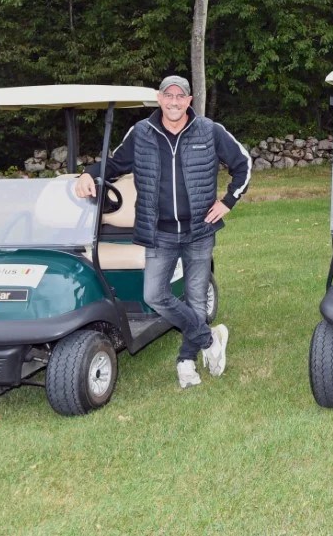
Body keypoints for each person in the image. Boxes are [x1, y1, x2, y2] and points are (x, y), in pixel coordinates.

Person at [76, 75, 251, 388]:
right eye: (168, 96)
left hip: (200, 229)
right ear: (160, 99)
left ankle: (186, 361)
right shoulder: (141, 133)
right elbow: (113, 165)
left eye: (179, 96)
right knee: (154, 295)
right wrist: (87, 174)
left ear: (189, 100)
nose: (174, 101)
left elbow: (243, 164)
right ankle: (211, 340)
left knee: (197, 299)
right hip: (159, 232)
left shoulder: (209, 131)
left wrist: (227, 201)